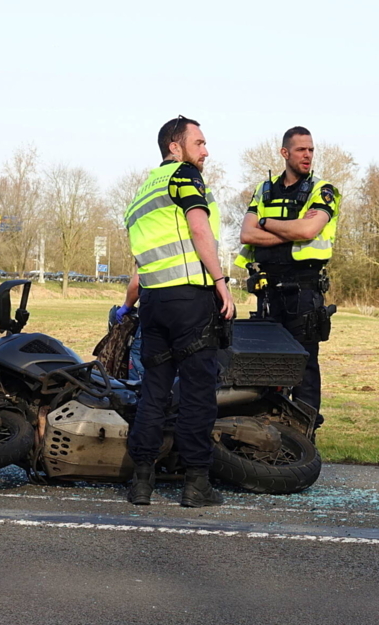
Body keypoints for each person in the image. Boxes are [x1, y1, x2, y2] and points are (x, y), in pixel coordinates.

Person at [124, 116, 234, 507]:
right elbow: (198, 229)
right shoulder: (184, 176)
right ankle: (196, 483)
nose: (205, 151)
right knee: (197, 393)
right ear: (176, 146)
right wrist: (221, 281)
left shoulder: (141, 193)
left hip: (155, 303)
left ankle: (141, 483)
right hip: (191, 299)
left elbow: (141, 266)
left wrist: (126, 307)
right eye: (199, 142)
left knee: (153, 391)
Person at [235, 126, 340, 439]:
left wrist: (266, 223)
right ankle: (268, 435)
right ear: (285, 153)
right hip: (268, 291)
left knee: (304, 367)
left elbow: (309, 231)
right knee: (267, 366)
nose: (307, 155)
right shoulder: (264, 190)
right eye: (300, 150)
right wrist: (287, 229)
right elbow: (246, 234)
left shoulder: (323, 190)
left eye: (310, 150)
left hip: (304, 292)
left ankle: (304, 439)